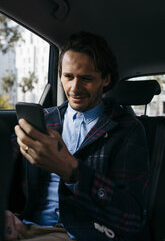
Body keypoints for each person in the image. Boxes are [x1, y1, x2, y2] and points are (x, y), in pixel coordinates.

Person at [5, 31, 149, 241]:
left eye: (86, 79)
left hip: (83, 233)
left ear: (106, 79)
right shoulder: (45, 120)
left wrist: (73, 172)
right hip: (25, 225)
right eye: (68, 76)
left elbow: (132, 217)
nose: (74, 88)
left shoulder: (127, 130)